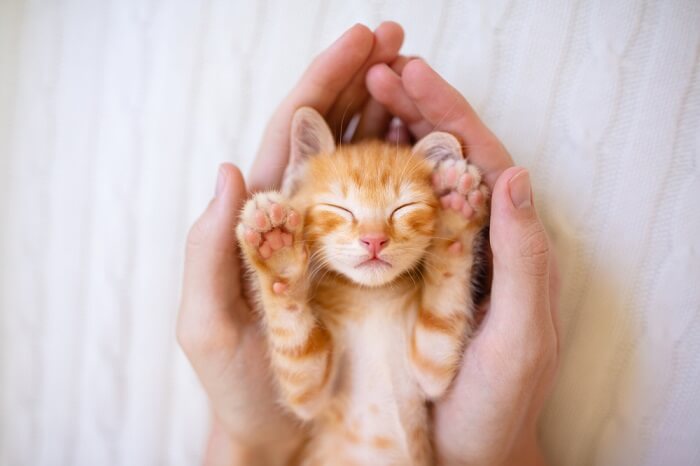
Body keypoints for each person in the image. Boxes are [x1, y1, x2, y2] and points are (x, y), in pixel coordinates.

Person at [177, 22, 559, 466]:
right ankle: (286, 287)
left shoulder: (404, 293)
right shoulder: (330, 295)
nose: (373, 238)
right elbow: (305, 397)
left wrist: (448, 258)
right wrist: (289, 300)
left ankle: (445, 250)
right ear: (297, 187)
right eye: (340, 213)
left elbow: (433, 376)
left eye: (404, 211)